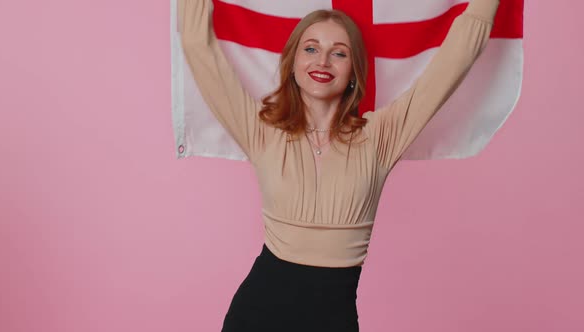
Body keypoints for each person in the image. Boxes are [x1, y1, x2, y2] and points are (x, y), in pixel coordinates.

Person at [179, 0, 500, 331]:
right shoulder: (261, 132)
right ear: (292, 63)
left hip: (333, 320)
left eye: (339, 53)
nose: (323, 60)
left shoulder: (380, 137)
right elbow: (195, 44)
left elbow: (459, 55)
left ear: (353, 71)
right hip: (257, 315)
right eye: (311, 48)